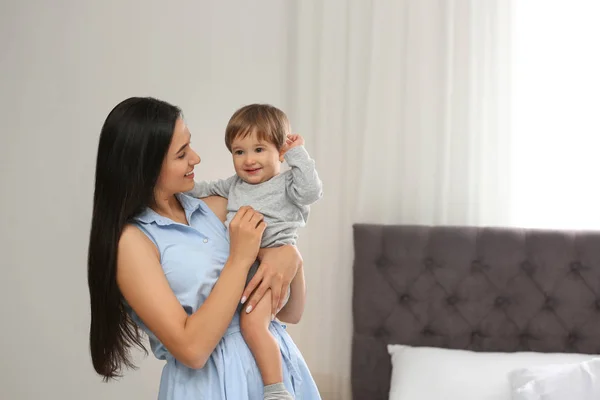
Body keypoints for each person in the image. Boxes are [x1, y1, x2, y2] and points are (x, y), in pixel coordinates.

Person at [87, 97, 322, 400]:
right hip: (210, 386)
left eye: (190, 146)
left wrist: (293, 259)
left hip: (279, 379)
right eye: (182, 153)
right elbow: (193, 350)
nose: (196, 158)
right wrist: (240, 259)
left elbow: (290, 313)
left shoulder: (220, 207)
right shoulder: (134, 243)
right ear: (145, 165)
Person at [187, 104, 322, 399]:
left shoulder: (289, 183)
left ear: (280, 152)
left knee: (252, 324)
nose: (249, 160)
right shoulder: (234, 185)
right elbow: (204, 188)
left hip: (270, 272)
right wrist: (181, 188)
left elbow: (312, 191)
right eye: (239, 152)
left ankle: (275, 390)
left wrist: (298, 154)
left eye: (259, 149)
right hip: (243, 267)